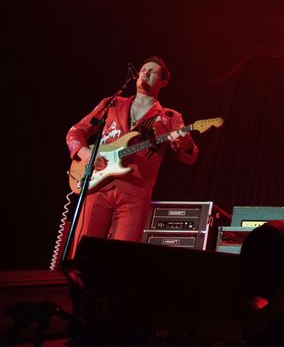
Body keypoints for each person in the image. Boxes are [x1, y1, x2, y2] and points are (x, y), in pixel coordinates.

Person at [66, 56, 198, 254]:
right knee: (82, 251)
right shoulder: (112, 103)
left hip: (135, 193)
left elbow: (190, 156)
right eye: (143, 69)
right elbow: (75, 132)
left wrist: (184, 141)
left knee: (122, 257)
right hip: (97, 186)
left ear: (163, 82)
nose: (145, 73)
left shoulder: (170, 117)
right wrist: (85, 154)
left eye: (152, 71)